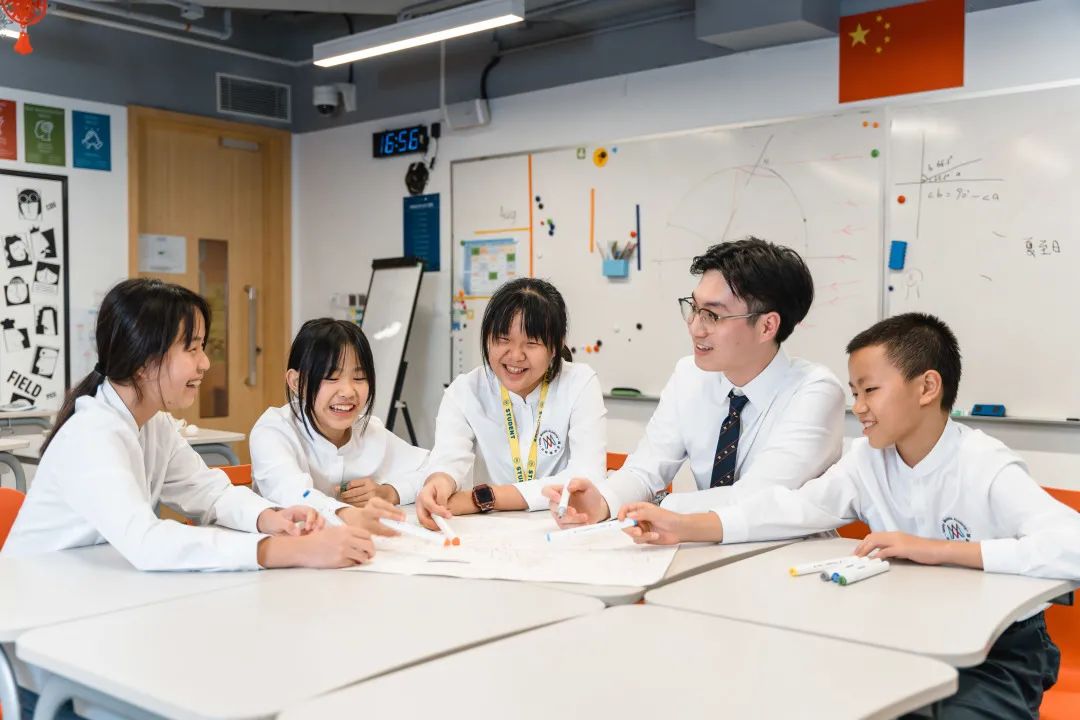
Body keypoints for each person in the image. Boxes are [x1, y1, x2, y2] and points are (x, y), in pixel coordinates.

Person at [621, 313, 1080, 718]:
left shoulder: (983, 463)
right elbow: (794, 509)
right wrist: (686, 525)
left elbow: (1071, 545)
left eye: (870, 390)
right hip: (905, 640)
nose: (858, 407)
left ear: (927, 387)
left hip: (999, 653)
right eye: (855, 392)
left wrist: (938, 550)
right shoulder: (867, 460)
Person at [3, 279, 378, 571]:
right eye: (193, 348)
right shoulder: (92, 435)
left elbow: (209, 493)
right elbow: (147, 542)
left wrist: (270, 518)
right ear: (144, 361)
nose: (205, 364)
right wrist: (288, 551)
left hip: (91, 591)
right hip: (36, 612)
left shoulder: (153, 424)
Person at [544, 238, 844, 526]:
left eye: (712, 315)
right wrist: (603, 502)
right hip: (704, 548)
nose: (695, 327)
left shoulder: (815, 392)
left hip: (787, 554)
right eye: (694, 308)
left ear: (767, 326)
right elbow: (646, 468)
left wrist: (661, 506)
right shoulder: (690, 375)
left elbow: (757, 499)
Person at [416, 277, 606, 529]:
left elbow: (586, 478)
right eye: (503, 339)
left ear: (555, 346)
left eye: (531, 343)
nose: (515, 356)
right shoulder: (465, 391)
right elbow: (448, 459)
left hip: (561, 527)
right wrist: (438, 483)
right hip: (491, 530)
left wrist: (483, 499)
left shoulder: (579, 382)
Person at [250, 318, 426, 530]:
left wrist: (390, 492)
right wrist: (345, 514)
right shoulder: (273, 430)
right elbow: (293, 493)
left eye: (359, 377)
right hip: (289, 546)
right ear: (297, 383)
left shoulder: (370, 430)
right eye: (331, 377)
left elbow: (438, 469)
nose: (348, 391)